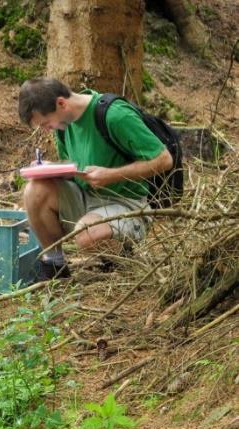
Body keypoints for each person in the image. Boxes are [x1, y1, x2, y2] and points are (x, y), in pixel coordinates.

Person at [17, 78, 174, 279]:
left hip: (127, 203)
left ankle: (122, 257)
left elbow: (164, 159)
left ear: (61, 103)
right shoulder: (64, 126)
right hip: (87, 197)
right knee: (34, 190)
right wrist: (52, 168)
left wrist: (111, 175)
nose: (47, 129)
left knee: (86, 234)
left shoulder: (115, 115)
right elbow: (75, 165)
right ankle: (55, 266)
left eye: (46, 123)